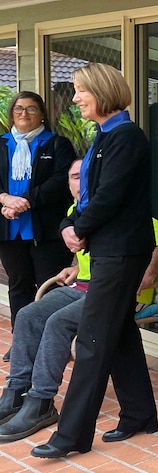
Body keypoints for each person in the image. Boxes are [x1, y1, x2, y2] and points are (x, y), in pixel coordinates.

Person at [30, 62, 157, 459]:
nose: (76, 97)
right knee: (119, 334)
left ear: (101, 92)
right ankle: (140, 415)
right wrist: (71, 223)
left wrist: (79, 228)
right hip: (107, 251)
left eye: (81, 90)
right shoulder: (103, 137)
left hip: (122, 253)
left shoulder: (126, 137)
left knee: (92, 339)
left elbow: (109, 197)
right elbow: (84, 195)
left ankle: (71, 436)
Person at [0, 159, 158, 441]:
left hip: (112, 292)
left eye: (86, 176)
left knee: (58, 323)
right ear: (68, 185)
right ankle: (16, 392)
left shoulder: (115, 207)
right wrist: (76, 266)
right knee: (28, 315)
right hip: (81, 286)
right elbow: (95, 250)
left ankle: (41, 401)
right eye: (74, 177)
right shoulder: (75, 210)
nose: (80, 182)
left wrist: (148, 273)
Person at [0, 91, 76, 361]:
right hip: (9, 229)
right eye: (19, 108)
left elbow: (60, 182)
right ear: (12, 113)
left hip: (45, 229)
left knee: (51, 288)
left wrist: (25, 201)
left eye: (31, 109)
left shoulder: (57, 144)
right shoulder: (2, 143)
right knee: (19, 286)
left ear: (42, 113)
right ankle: (22, 343)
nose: (24, 113)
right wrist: (5, 199)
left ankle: (53, 346)